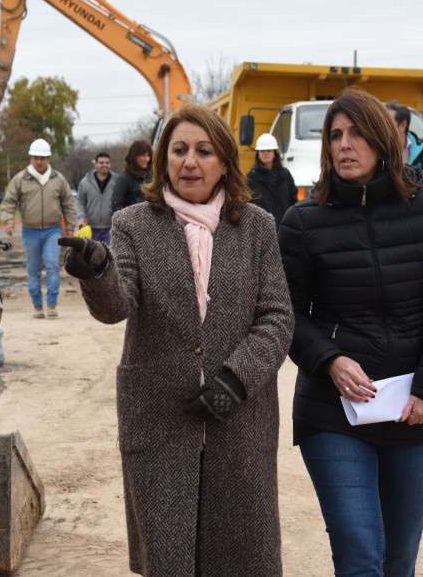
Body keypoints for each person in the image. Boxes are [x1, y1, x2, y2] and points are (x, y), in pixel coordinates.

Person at [58, 105, 293, 576]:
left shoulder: (256, 227)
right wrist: (98, 270)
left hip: (240, 422)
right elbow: (116, 306)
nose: (190, 162)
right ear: (163, 160)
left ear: (224, 162)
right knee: (170, 560)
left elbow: (277, 317)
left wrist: (235, 380)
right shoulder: (133, 225)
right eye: (179, 150)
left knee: (241, 559)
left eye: (204, 151)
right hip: (161, 419)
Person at [279, 87, 423, 576]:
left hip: (416, 412)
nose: (345, 144)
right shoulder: (302, 222)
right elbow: (286, 315)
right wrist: (330, 360)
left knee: (399, 557)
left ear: (384, 141)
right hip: (335, 413)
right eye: (336, 135)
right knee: (361, 554)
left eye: (358, 133)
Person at [0, 138, 77, 319]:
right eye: (36, 158)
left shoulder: (58, 180)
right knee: (33, 269)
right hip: (30, 230)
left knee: (52, 266)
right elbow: (8, 202)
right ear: (30, 159)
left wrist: (71, 226)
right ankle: (37, 306)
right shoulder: (20, 179)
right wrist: (8, 221)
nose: (39, 161)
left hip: (53, 230)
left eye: (42, 158)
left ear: (48, 158)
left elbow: (68, 204)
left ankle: (51, 304)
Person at [385, 100, 423, 191]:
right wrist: (414, 185)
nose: (381, 127)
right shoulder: (376, 151)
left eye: (387, 123)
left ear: (403, 125)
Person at [246, 133, 297, 229]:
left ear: (274, 153)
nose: (265, 153)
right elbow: (248, 205)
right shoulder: (250, 178)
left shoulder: (285, 175)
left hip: (284, 228)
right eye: (262, 150)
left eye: (269, 150)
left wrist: (291, 221)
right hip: (261, 230)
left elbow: (293, 200)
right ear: (258, 154)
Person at [75, 151, 117, 244]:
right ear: (95, 164)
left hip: (110, 228)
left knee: (109, 256)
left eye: (107, 162)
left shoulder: (117, 181)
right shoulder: (85, 182)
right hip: (90, 229)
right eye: (101, 162)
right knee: (91, 257)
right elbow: (80, 202)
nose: (104, 165)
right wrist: (81, 216)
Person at [111, 139, 152, 213]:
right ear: (134, 156)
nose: (146, 159)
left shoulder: (152, 176)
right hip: (131, 221)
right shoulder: (123, 179)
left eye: (148, 155)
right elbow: (116, 204)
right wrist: (130, 221)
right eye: (143, 155)